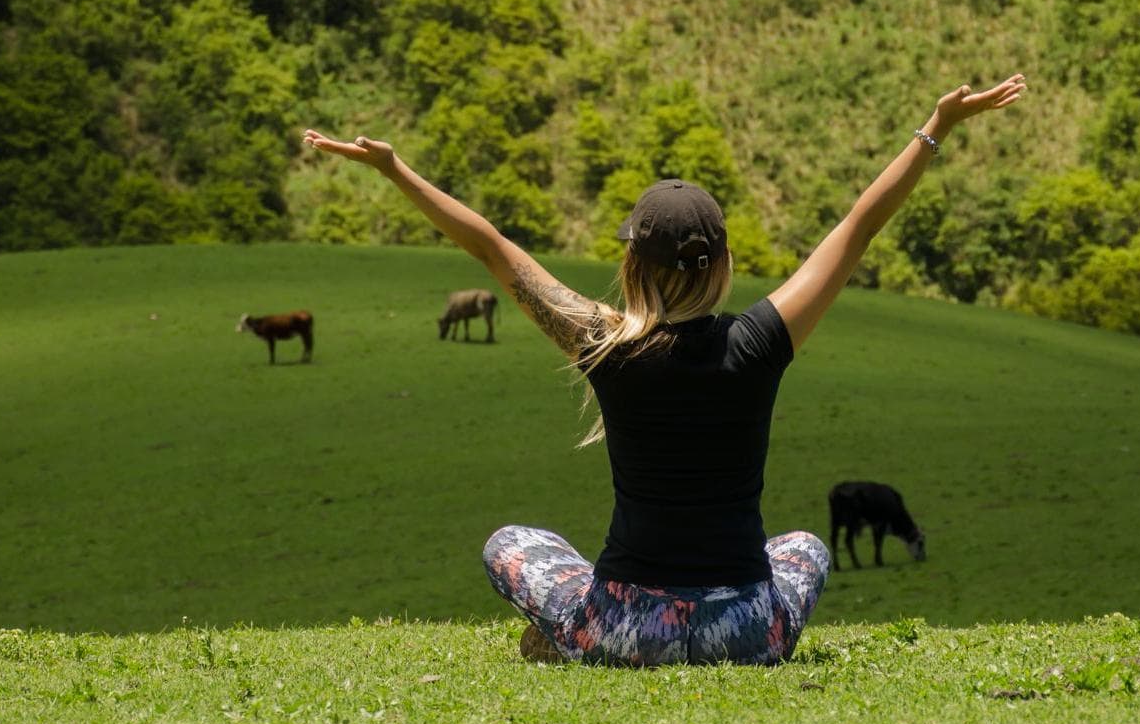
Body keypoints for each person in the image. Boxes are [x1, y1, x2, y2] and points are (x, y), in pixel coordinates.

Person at [302, 72, 1026, 666]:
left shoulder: (605, 344)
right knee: (804, 547)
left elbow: (492, 247)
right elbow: (858, 226)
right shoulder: (759, 341)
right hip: (746, 634)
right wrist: (935, 127)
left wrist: (394, 168)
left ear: (632, 263)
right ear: (723, 261)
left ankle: (570, 640)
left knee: (511, 544)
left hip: (623, 629)